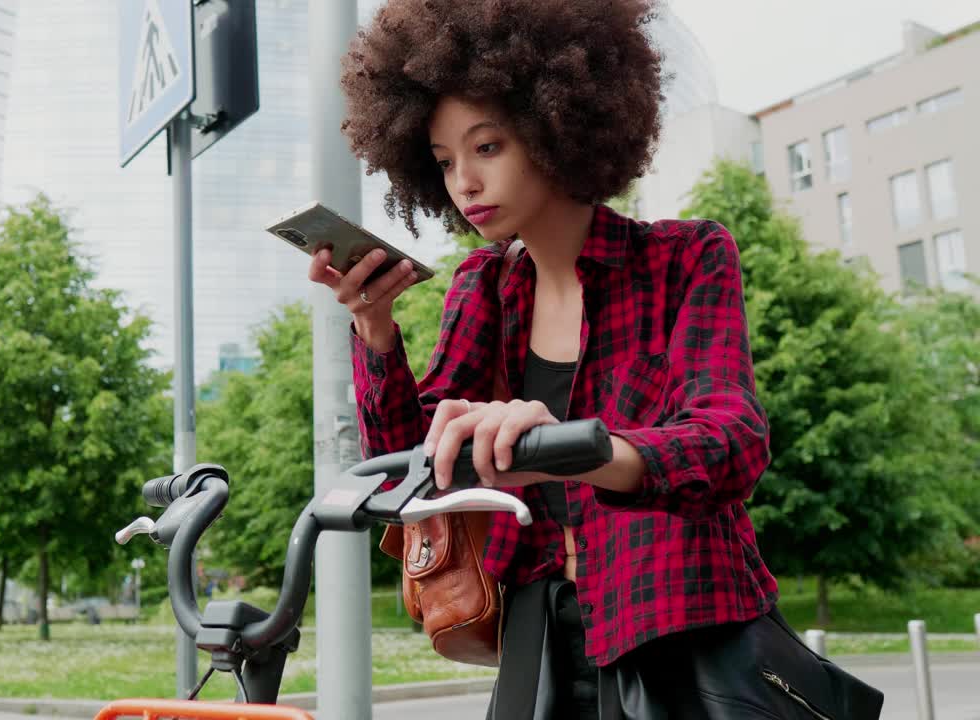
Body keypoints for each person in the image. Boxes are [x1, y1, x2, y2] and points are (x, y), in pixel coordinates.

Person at [309, 1, 862, 717]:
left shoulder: (686, 257)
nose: (463, 184)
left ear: (558, 126)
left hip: (677, 625)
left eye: (487, 147)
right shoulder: (485, 287)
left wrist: (573, 452)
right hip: (536, 628)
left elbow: (731, 442)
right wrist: (374, 325)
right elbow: (415, 471)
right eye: (444, 162)